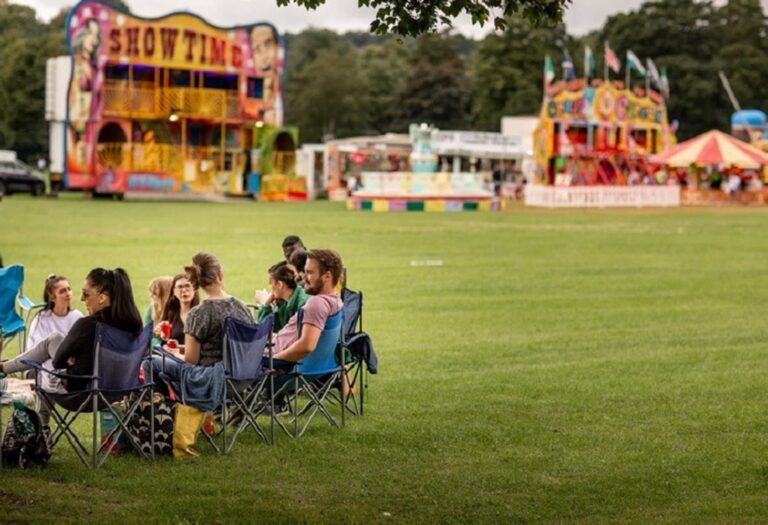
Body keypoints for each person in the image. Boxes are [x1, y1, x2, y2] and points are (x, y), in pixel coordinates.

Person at [0, 268, 142, 428]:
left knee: (44, 366)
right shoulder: (134, 324)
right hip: (119, 390)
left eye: (86, 294)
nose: (82, 299)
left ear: (102, 298)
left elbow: (59, 361)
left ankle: (41, 430)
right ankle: (4, 367)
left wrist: (69, 359)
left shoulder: (87, 325)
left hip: (80, 393)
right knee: (55, 339)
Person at [147, 253, 254, 390]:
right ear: (220, 276)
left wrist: (174, 353)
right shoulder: (242, 306)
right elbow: (227, 347)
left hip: (209, 380)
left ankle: (166, 407)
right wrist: (181, 348)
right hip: (244, 378)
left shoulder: (198, 314)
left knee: (150, 362)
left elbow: (191, 361)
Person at [271, 249, 344, 363]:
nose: (303, 278)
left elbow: (306, 346)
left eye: (309, 273)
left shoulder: (317, 304)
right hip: (274, 347)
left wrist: (273, 360)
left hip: (273, 361)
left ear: (327, 276)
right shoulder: (336, 301)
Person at [26, 274, 83, 351]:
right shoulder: (42, 319)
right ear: (52, 297)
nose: (68, 294)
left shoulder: (77, 317)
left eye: (69, 289)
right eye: (62, 291)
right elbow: (35, 348)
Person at [256, 261, 308, 332]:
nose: (269, 287)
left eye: (270, 283)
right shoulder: (283, 302)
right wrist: (266, 305)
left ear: (280, 285)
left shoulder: (303, 304)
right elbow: (264, 331)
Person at [159, 273, 200, 354]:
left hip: (194, 360)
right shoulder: (171, 312)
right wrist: (161, 334)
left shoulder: (201, 313)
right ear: (174, 291)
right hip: (173, 358)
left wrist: (179, 348)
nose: (184, 290)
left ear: (194, 289)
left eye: (187, 286)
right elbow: (165, 342)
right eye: (180, 287)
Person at [146, 276, 173, 340]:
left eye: (155, 293)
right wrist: (155, 333)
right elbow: (145, 334)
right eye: (150, 292)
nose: (150, 295)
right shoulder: (151, 309)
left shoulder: (178, 310)